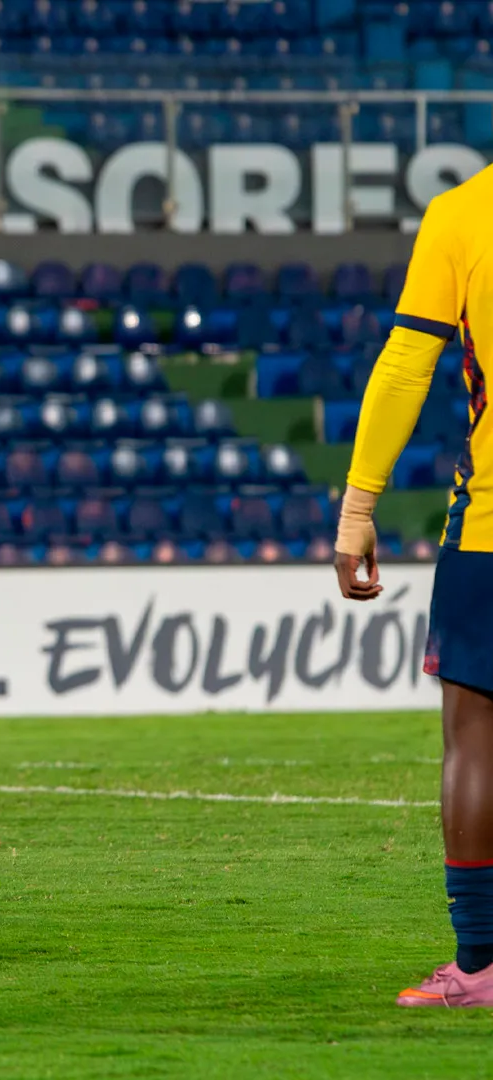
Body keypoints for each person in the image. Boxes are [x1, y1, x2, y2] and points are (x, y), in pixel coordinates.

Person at [335, 165, 493, 1007]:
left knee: (475, 733)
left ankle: (481, 964)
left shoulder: (464, 213)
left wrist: (358, 506)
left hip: (492, 527)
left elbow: (406, 364)